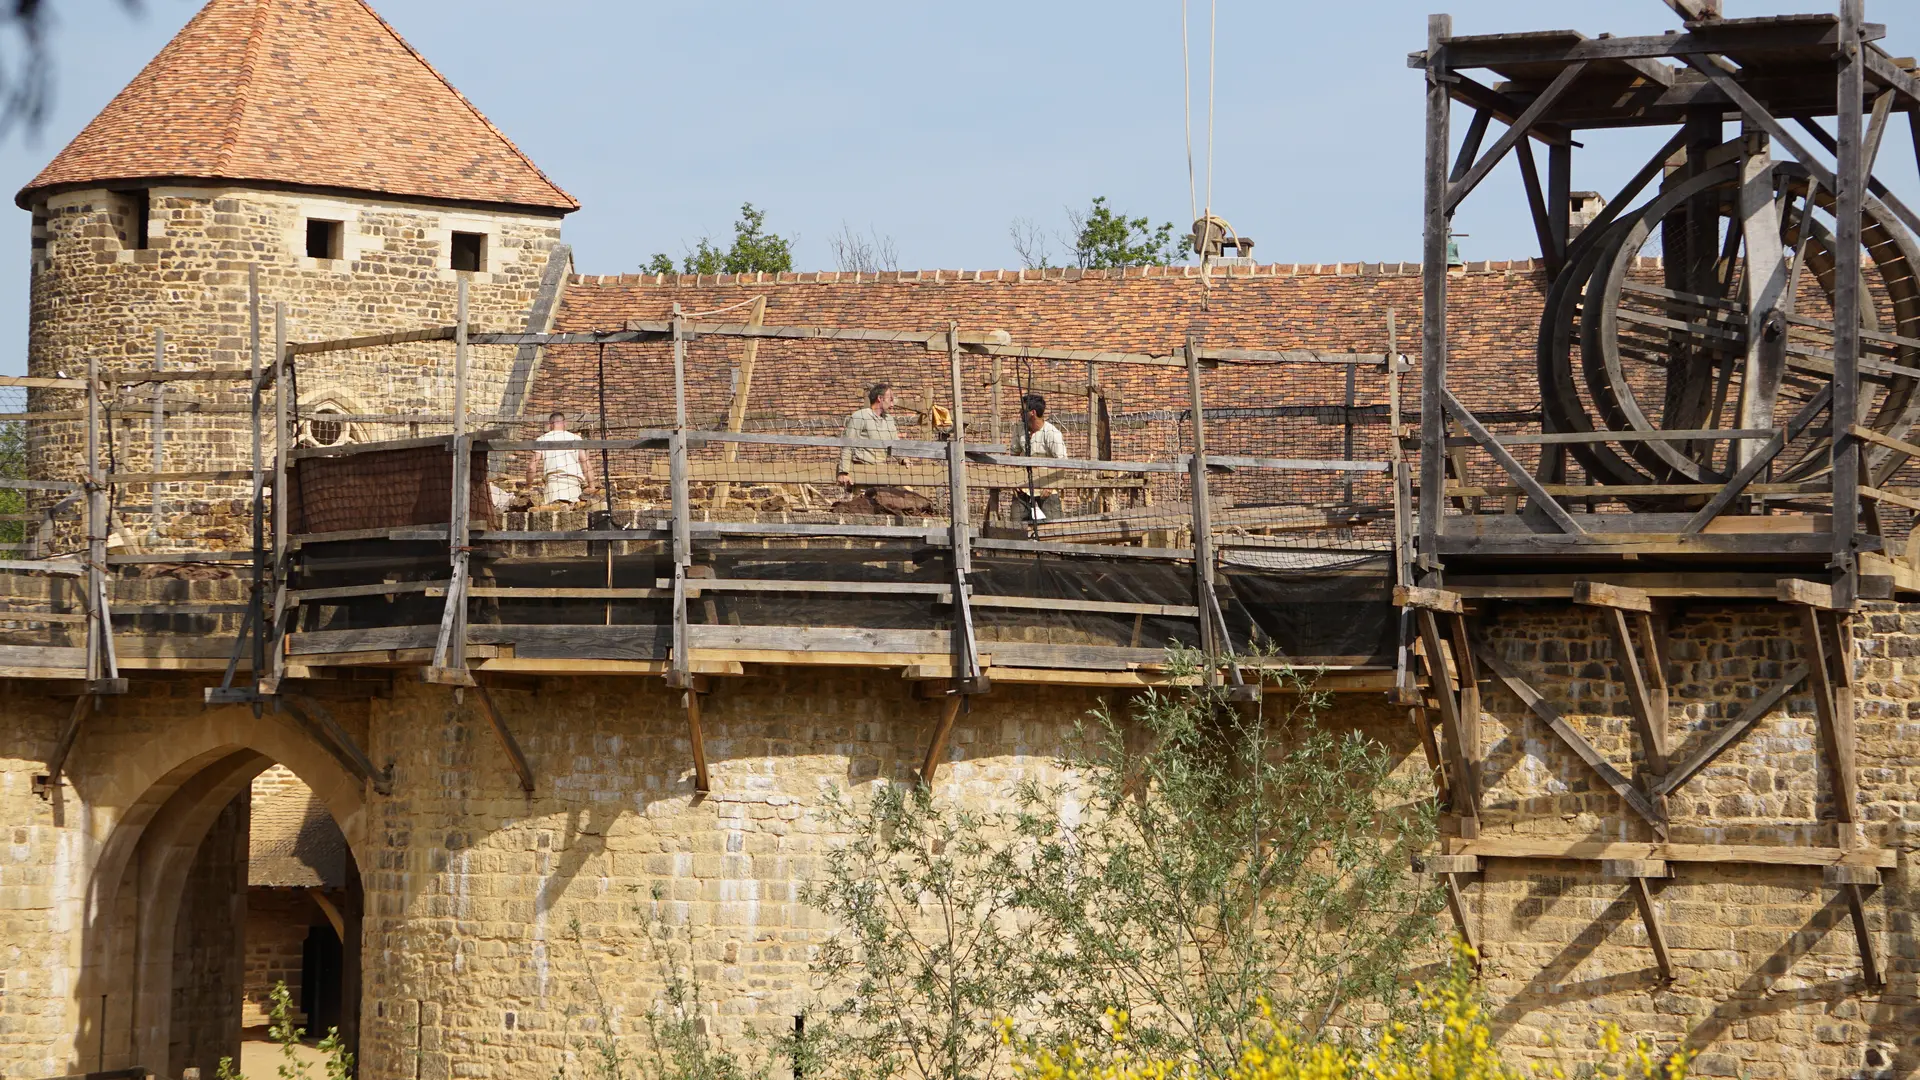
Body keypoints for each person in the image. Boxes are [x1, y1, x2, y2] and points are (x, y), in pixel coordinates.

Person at [1009, 394, 1068, 523]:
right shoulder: (1019, 428)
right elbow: (1013, 455)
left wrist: (1051, 486)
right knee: (1014, 527)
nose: (1020, 413)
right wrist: (1014, 480)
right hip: (1023, 488)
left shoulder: (1052, 433)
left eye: (1022, 411)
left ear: (1032, 413)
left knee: (1055, 528)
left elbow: (1062, 462)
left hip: (1045, 489)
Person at [837, 383, 900, 485]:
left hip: (882, 474)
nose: (892, 404)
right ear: (880, 398)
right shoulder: (860, 416)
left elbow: (896, 445)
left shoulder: (889, 420)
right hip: (862, 473)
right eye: (890, 399)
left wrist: (903, 460)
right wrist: (843, 472)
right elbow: (848, 444)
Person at [527, 411, 596, 504]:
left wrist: (528, 486)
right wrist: (592, 486)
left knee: (553, 516)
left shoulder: (542, 439)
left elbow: (531, 467)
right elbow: (585, 463)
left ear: (550, 425)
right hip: (573, 487)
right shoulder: (575, 439)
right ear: (565, 423)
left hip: (553, 488)